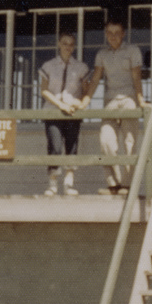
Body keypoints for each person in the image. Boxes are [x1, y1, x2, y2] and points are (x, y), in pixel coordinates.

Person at [78, 19, 148, 195]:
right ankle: (114, 184)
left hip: (128, 99)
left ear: (123, 34)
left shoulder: (132, 51)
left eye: (117, 32)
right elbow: (95, 79)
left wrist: (140, 100)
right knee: (106, 141)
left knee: (130, 142)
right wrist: (85, 101)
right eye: (110, 33)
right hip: (110, 101)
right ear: (106, 35)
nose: (113, 36)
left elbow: (136, 78)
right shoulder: (102, 54)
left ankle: (127, 185)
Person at [39, 32, 89, 196]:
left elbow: (86, 92)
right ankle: (52, 184)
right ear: (59, 44)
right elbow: (44, 91)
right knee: (55, 146)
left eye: (71, 44)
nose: (68, 47)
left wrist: (79, 103)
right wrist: (60, 104)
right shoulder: (49, 65)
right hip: (53, 111)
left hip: (72, 112)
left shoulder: (81, 67)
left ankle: (69, 184)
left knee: (72, 146)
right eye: (64, 43)